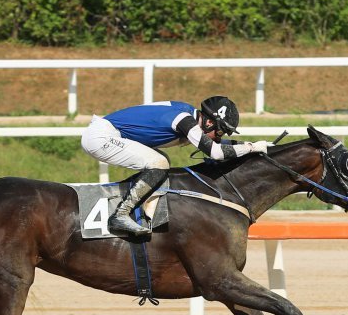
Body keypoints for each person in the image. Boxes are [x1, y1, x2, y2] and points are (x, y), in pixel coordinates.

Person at [81, 96, 273, 237]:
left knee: (160, 160)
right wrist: (251, 147)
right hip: (101, 137)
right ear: (208, 122)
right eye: (220, 131)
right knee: (159, 163)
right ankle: (121, 215)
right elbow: (215, 152)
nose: (220, 136)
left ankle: (143, 214)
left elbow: (217, 146)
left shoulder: (189, 117)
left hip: (109, 134)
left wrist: (252, 146)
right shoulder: (184, 120)